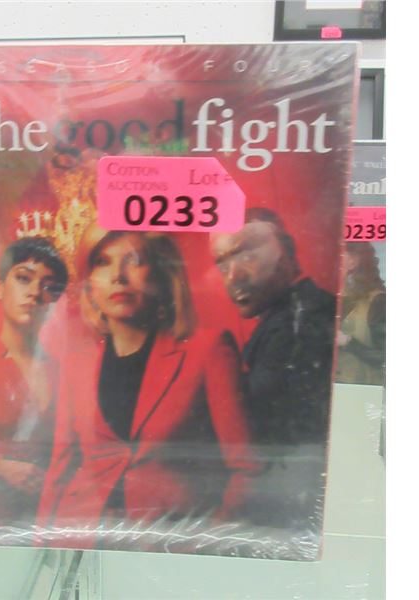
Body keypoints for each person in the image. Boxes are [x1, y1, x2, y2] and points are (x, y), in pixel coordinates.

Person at [37, 225, 259, 551]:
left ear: (159, 275)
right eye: (103, 262)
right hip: (82, 538)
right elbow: (62, 464)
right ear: (89, 285)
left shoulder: (208, 350)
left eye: (134, 260)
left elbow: (248, 468)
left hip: (169, 546)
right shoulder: (77, 362)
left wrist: (207, 541)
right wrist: (40, 544)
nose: (118, 276)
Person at [210, 208, 336, 529]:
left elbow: (266, 431)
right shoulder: (290, 316)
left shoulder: (300, 323)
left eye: (247, 256)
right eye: (222, 264)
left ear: (287, 254)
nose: (233, 277)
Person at [0, 236, 68, 532]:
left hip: (54, 518)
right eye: (24, 278)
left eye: (48, 286)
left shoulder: (63, 372)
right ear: (1, 287)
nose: (35, 292)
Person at [336, 242, 386, 385]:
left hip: (362, 391)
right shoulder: (326, 300)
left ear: (353, 261)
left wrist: (348, 342)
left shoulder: (377, 302)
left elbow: (385, 358)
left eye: (337, 253)